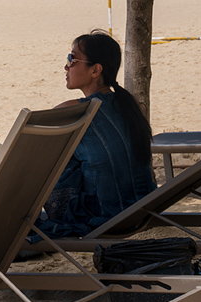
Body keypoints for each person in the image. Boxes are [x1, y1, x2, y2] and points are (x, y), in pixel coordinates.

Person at [39, 31, 157, 239]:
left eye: (72, 59)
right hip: (143, 211)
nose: (66, 66)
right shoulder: (127, 105)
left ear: (96, 70)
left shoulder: (74, 112)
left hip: (101, 217)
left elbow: (35, 154)